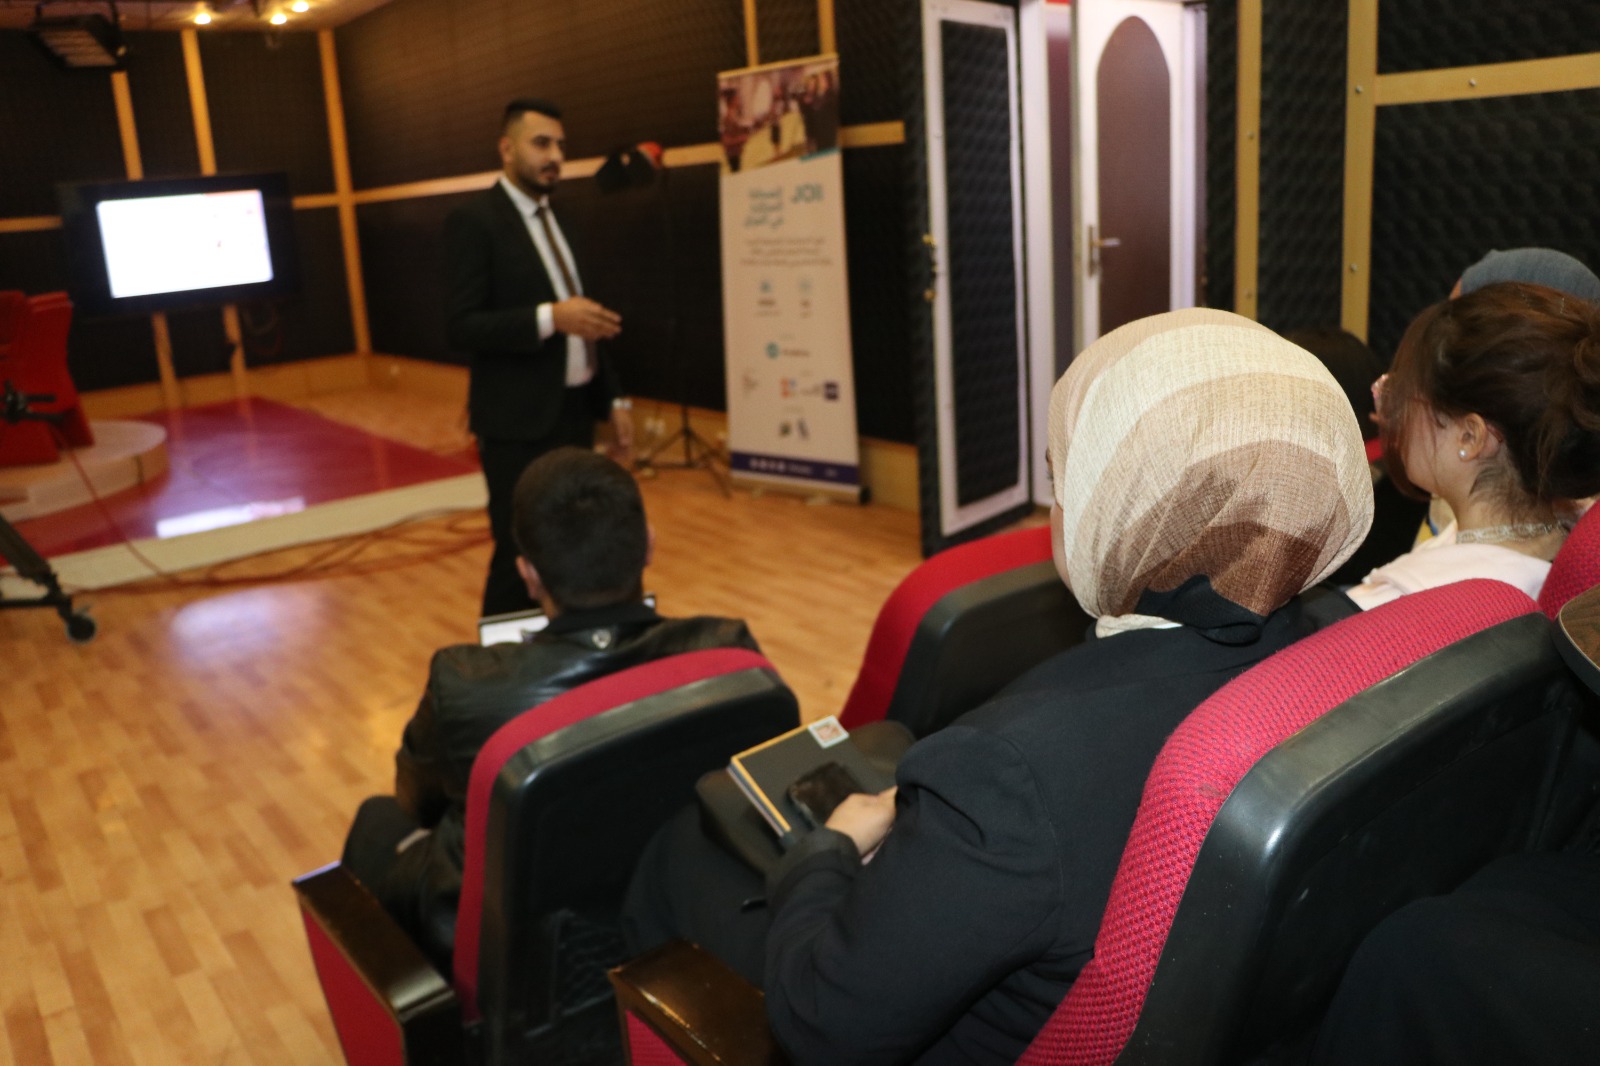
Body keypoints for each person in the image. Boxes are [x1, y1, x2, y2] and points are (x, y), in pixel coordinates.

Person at [623, 308, 1374, 1064]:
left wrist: (826, 852)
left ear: (1122, 515)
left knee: (678, 853)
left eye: (1062, 479)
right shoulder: (1349, 645)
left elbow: (823, 1025)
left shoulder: (1010, 774)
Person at [342, 448, 760, 970]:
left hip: (529, 961)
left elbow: (416, 801)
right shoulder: (731, 653)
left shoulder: (466, 686)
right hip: (679, 924)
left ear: (529, 575)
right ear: (649, 545)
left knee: (376, 821)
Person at [445, 97, 633, 618]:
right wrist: (550, 318)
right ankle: (500, 662)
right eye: (541, 144)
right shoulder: (474, 220)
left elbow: (587, 320)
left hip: (574, 414)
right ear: (507, 149)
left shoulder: (565, 218)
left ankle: (566, 655)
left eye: (561, 146)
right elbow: (461, 326)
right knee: (519, 557)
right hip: (516, 424)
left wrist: (614, 397)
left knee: (574, 553)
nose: (555, 157)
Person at [1345, 282, 1600, 609]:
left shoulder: (1393, 605)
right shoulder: (1578, 554)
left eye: (1406, 394)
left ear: (1470, 437)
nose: (1390, 413)